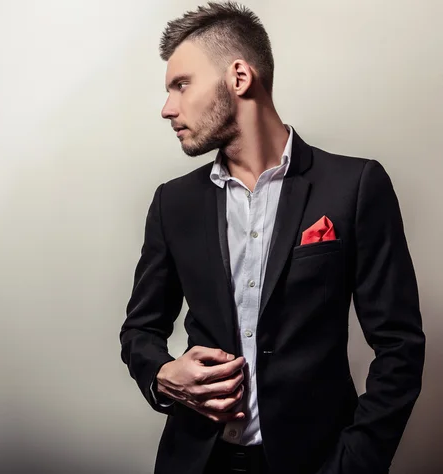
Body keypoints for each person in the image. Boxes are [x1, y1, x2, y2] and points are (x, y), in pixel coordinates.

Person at [118, 2, 425, 473]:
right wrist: (163, 375)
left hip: (316, 462)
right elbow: (140, 330)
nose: (168, 108)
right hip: (198, 460)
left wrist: (354, 463)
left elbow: (400, 347)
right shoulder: (172, 203)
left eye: (181, 84)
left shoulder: (354, 187)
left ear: (238, 77)